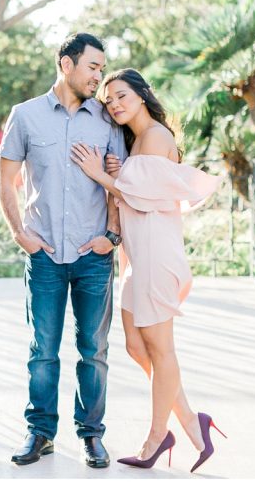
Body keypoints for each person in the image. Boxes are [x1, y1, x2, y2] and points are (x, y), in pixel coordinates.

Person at [69, 68, 226, 473]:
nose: (115, 104)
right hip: (138, 259)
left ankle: (157, 437)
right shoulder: (136, 141)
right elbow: (132, 191)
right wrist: (113, 175)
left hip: (157, 255)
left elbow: (143, 194)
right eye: (109, 100)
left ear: (141, 95)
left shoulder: (157, 136)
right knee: (138, 348)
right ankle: (192, 421)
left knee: (162, 349)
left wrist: (100, 175)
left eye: (121, 95)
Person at [0, 33, 127, 468]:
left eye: (102, 69)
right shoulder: (26, 116)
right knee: (43, 350)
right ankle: (40, 433)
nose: (99, 77)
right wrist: (20, 234)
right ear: (66, 64)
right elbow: (5, 179)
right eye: (93, 67)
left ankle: (91, 435)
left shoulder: (108, 121)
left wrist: (111, 236)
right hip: (45, 253)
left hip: (94, 255)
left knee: (94, 350)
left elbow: (120, 186)